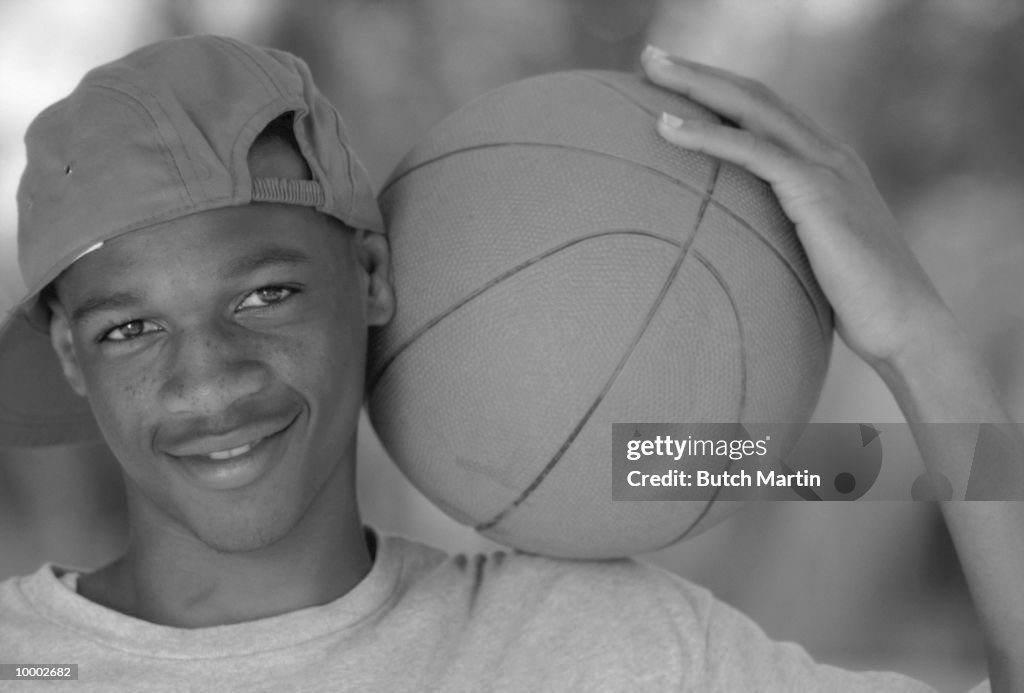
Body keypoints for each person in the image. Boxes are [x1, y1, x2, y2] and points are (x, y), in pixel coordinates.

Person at [0, 35, 1017, 692]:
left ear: (371, 276)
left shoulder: (602, 643)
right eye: (129, 329)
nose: (209, 382)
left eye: (266, 296)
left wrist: (918, 344)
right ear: (69, 355)